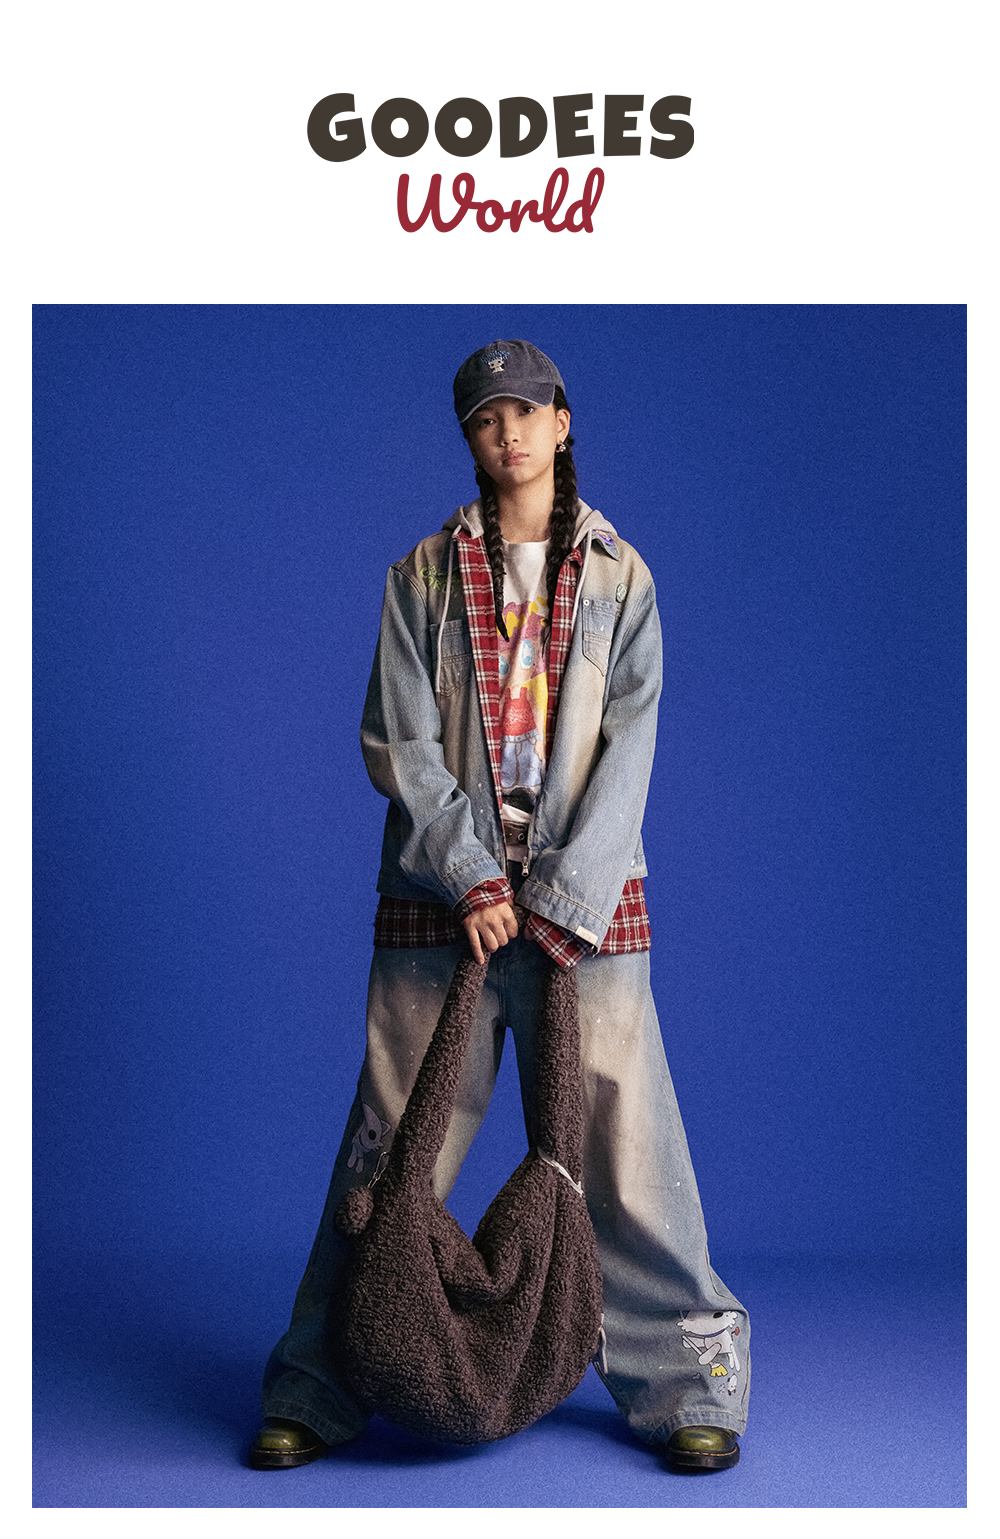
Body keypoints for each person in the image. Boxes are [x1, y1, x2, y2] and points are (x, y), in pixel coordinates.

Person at [249, 339, 750, 1474]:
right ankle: (317, 1383)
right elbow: (399, 742)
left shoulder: (622, 579)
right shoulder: (420, 577)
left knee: (627, 1150)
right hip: (446, 907)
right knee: (390, 1150)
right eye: (486, 417)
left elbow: (630, 749)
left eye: (526, 410)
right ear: (470, 438)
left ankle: (688, 1386)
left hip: (584, 916)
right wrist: (471, 874)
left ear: (562, 423)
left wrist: (565, 895)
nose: (508, 431)